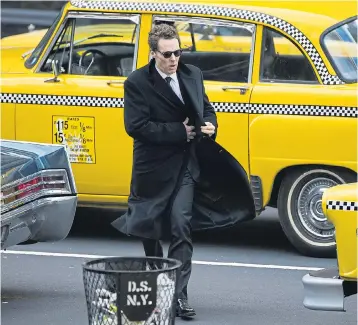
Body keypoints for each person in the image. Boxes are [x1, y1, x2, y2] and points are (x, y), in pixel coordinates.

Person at [111, 23, 217, 319]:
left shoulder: (192, 74)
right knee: (151, 229)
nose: (173, 59)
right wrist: (178, 132)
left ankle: (179, 293)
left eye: (178, 53)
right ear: (153, 54)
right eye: (167, 54)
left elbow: (206, 109)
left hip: (185, 164)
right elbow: (135, 126)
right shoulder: (137, 82)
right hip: (152, 167)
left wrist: (211, 125)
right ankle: (159, 283)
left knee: (181, 225)